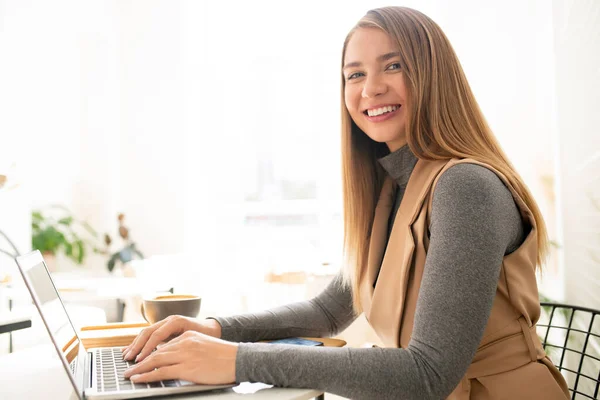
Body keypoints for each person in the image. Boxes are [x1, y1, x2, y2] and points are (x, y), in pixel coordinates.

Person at [121, 6, 569, 399]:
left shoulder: (465, 186)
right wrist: (214, 329)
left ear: (433, 75)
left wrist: (235, 359)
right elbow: (329, 310)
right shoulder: (392, 189)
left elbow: (428, 373)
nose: (369, 88)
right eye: (354, 74)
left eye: (392, 66)